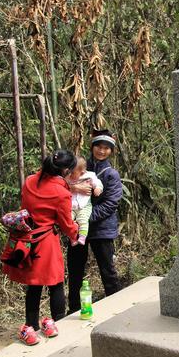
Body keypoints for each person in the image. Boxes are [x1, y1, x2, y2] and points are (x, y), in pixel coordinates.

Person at [2, 150, 79, 345]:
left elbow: (25, 207)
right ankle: (59, 322)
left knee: (34, 284)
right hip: (47, 242)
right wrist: (75, 232)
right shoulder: (61, 193)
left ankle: (31, 327)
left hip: (27, 240)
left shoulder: (29, 181)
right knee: (55, 283)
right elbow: (66, 223)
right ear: (66, 170)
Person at [67, 129, 122, 313]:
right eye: (98, 146)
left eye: (107, 148)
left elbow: (111, 203)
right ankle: (73, 310)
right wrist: (75, 185)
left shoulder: (111, 174)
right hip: (76, 227)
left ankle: (116, 309)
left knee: (107, 271)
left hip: (101, 229)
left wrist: (85, 218)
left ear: (111, 151)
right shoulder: (79, 167)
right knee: (75, 271)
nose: (102, 150)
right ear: (92, 147)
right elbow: (60, 183)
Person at [66, 156, 103, 246]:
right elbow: (61, 184)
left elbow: (97, 182)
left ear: (82, 172)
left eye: (73, 173)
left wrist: (98, 188)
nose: (70, 174)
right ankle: (72, 238)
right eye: (70, 172)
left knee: (83, 220)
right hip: (71, 205)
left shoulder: (90, 175)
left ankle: (82, 237)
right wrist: (73, 187)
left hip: (84, 205)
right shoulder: (68, 177)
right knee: (68, 221)